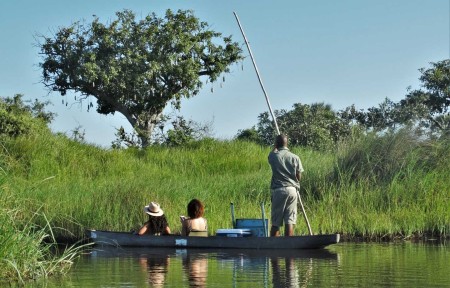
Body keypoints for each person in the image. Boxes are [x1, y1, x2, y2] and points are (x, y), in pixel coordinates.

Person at [268, 134, 304, 237]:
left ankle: (274, 245)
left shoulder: (273, 156)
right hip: (292, 190)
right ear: (286, 143)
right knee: (290, 220)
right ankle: (289, 246)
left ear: (276, 144)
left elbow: (271, 154)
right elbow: (299, 177)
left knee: (276, 222)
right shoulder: (295, 157)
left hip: (279, 190)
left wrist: (275, 146)